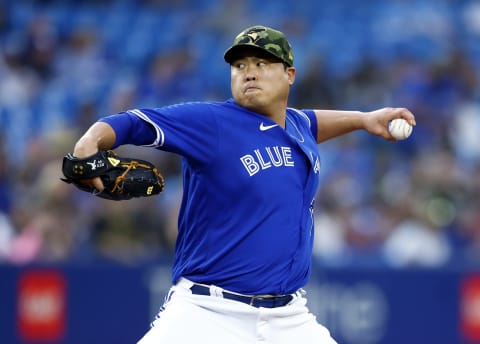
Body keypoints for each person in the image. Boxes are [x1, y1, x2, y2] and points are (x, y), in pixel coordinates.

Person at [70, 25, 416, 344]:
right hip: (207, 312)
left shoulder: (296, 126)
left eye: (262, 62)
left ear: (289, 74)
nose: (248, 71)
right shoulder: (213, 123)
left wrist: (362, 119)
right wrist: (89, 142)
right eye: (240, 65)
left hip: (287, 317)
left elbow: (311, 122)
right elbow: (133, 123)